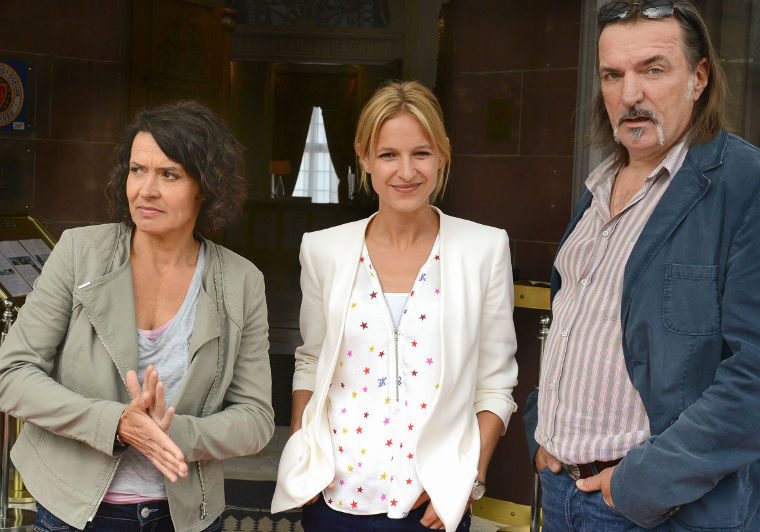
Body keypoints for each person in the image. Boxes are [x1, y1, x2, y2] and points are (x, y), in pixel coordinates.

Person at [523, 1, 760, 530]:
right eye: (613, 75)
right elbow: (578, 322)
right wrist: (542, 428)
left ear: (699, 78)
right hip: (561, 490)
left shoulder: (744, 185)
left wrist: (643, 484)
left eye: (653, 70)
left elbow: (754, 375)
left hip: (654, 510)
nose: (630, 94)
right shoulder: (598, 185)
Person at [0, 100, 275, 531]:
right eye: (137, 170)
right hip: (73, 510)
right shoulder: (79, 253)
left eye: (169, 175)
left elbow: (256, 419)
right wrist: (115, 424)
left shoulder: (241, 282)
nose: (146, 189)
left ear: (206, 187)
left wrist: (171, 434)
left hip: (184, 515)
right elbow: (12, 374)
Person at [271, 80, 518, 531]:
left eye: (421, 153)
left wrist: (469, 478)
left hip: (432, 501)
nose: (406, 171)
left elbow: (495, 385)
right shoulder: (324, 249)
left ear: (443, 154)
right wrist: (301, 454)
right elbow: (311, 363)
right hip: (333, 498)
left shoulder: (484, 248)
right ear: (364, 157)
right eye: (388, 154)